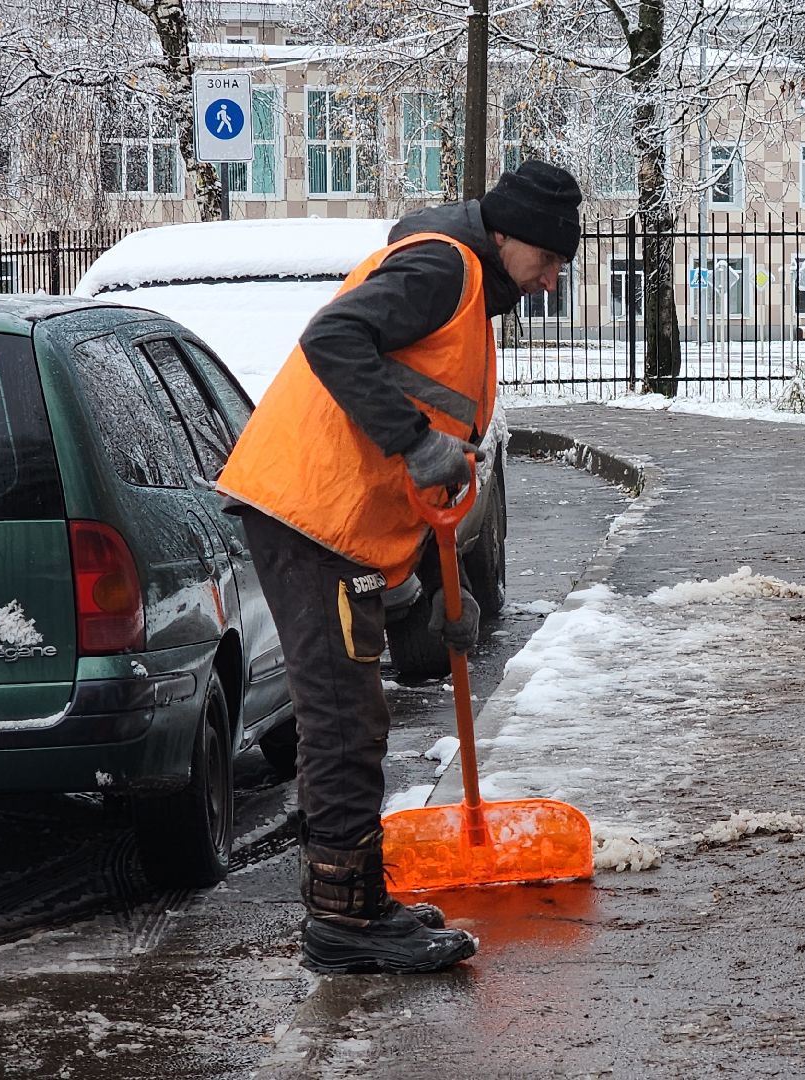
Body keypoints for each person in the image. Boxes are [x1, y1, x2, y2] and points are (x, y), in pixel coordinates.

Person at [215, 161, 582, 974]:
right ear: (513, 233)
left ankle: (357, 901)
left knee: (351, 713)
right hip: (308, 513)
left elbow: (429, 436)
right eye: (553, 257)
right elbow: (333, 337)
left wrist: (432, 593)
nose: (555, 276)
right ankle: (344, 922)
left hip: (335, 521)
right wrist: (415, 444)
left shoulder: (469, 293)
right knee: (343, 716)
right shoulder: (443, 267)